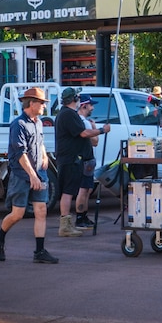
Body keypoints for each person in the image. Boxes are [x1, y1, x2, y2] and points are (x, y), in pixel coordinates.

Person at [0, 88, 58, 263]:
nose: (44, 106)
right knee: (18, 214)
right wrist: (32, 176)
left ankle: (39, 252)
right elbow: (20, 153)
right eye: (41, 103)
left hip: (39, 174)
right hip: (22, 175)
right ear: (31, 103)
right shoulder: (18, 124)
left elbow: (40, 142)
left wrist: (44, 156)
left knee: (41, 210)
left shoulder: (38, 122)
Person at [55, 87, 110, 237]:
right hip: (69, 159)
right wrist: (102, 130)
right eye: (77, 97)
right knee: (67, 192)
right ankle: (65, 226)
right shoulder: (68, 114)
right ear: (74, 100)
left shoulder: (66, 114)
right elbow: (84, 133)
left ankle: (68, 224)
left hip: (70, 158)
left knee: (69, 191)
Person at [74, 94, 100, 229]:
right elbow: (95, 141)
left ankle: (83, 215)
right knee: (83, 189)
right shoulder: (84, 122)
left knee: (87, 189)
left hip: (87, 160)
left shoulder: (82, 120)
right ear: (84, 105)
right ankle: (80, 217)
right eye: (91, 105)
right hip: (86, 160)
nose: (93, 108)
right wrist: (95, 128)